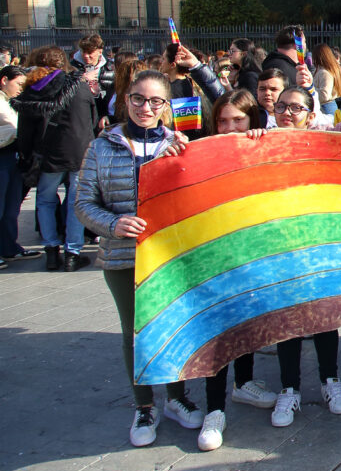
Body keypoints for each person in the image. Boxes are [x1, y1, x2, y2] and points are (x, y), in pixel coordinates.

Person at [75, 69, 203, 448]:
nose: (145, 108)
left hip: (168, 257)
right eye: (138, 99)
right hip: (122, 256)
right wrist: (113, 224)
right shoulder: (101, 147)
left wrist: (184, 160)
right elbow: (83, 204)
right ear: (126, 99)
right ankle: (144, 406)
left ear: (166, 106)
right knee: (134, 332)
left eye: (155, 101)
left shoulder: (178, 145)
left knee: (172, 327)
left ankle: (176, 397)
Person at [262, 60, 341, 427]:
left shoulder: (325, 137)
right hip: (279, 244)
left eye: (296, 108)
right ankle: (289, 389)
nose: (287, 113)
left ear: (310, 114)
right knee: (287, 318)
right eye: (281, 107)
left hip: (320, 242)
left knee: (323, 315)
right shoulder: (261, 141)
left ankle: (331, 379)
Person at [196, 90, 279, 450]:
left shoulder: (261, 147)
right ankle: (214, 409)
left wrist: (263, 143)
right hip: (214, 257)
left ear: (252, 121)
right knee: (218, 331)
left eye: (239, 120)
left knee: (246, 323)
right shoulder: (200, 152)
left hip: (250, 253)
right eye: (223, 121)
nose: (230, 127)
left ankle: (244, 383)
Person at [15, 46, 99, 272]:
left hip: (46, 154)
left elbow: (25, 131)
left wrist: (26, 155)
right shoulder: (78, 86)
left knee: (44, 200)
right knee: (76, 202)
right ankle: (73, 252)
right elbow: (92, 120)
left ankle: (51, 250)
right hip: (78, 151)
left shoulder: (32, 90)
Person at [0, 66, 29, 265]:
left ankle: (10, 247)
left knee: (11, 207)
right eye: (18, 84)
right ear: (4, 80)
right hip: (2, 155)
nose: (21, 88)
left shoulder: (11, 102)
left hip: (13, 157)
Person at [312, 44, 341, 117]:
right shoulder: (330, 70)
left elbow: (325, 95)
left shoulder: (324, 72)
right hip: (329, 106)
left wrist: (310, 91)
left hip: (325, 108)